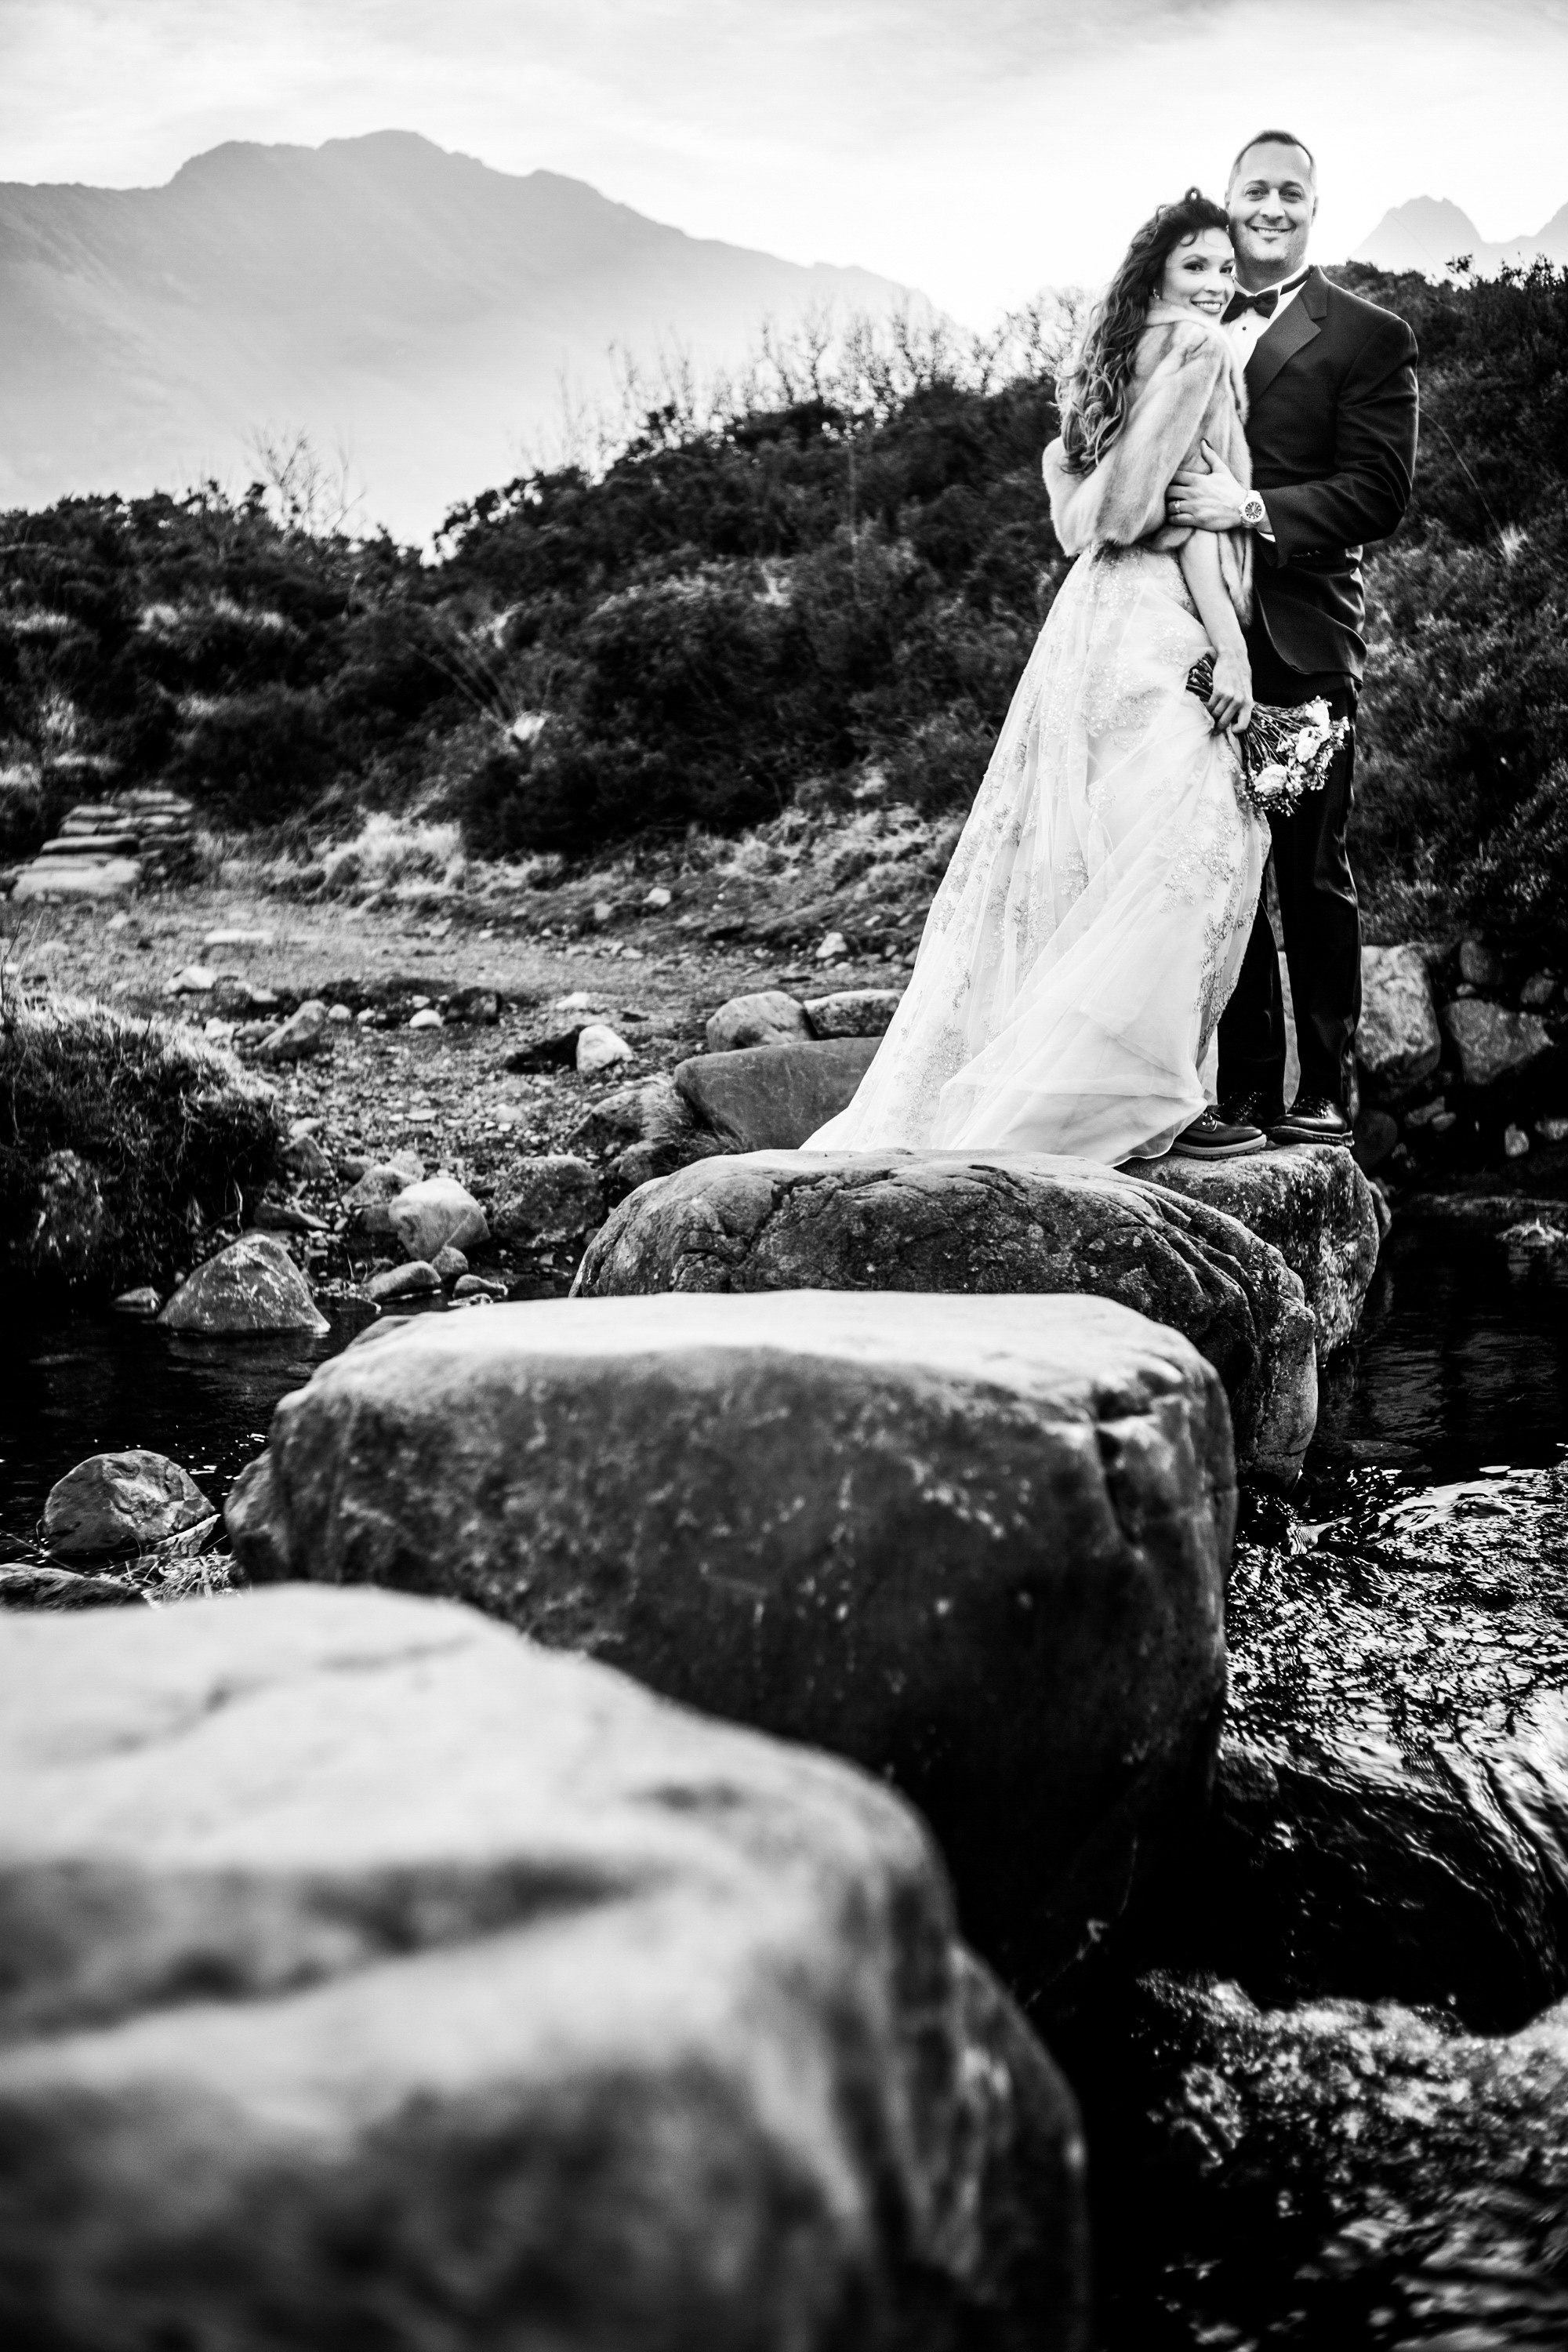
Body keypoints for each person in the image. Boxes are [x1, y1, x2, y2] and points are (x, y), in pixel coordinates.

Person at [804, 187, 1271, 1166]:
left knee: (1086, 858)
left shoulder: (1099, 365)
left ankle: (1093, 1088)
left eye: (1225, 270)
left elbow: (1077, 512)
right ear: (1155, 275)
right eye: (1197, 266)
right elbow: (1166, 515)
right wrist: (1229, 641)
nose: (1217, 285)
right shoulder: (1195, 351)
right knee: (1190, 847)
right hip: (1156, 617)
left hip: (1084, 629)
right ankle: (1138, 1101)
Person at [1167, 130, 1419, 1143]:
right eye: (1254, 191)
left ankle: (1325, 1091)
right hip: (1186, 638)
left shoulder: (1367, 334)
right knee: (1214, 863)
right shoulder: (1184, 310)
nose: (1271, 207)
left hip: (1306, 638)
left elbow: (1378, 492)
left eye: (1290, 192)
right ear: (1227, 202)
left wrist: (1250, 507)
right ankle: (1240, 1092)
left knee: (1308, 865)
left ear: (1314, 205)